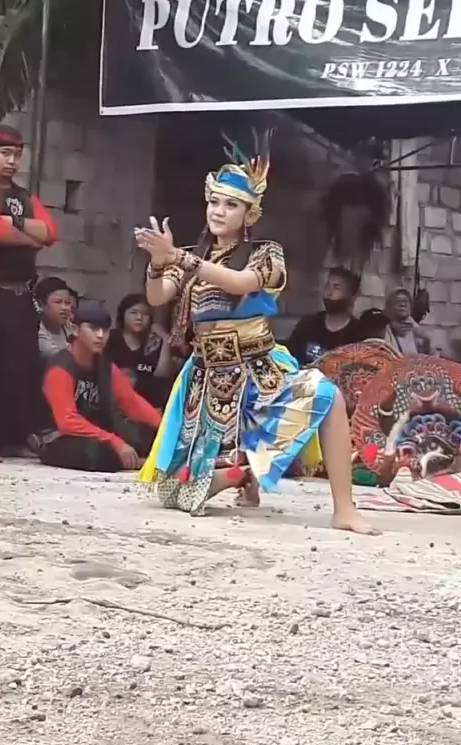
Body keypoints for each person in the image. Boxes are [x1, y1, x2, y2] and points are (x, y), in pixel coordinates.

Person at [135, 135, 378, 534]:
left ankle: (344, 510)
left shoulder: (267, 253)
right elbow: (157, 295)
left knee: (328, 397)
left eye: (231, 204)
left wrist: (178, 257)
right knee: (174, 493)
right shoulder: (195, 255)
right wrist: (157, 264)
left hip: (257, 369)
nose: (219, 211)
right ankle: (241, 474)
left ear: (250, 214)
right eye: (215, 201)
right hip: (207, 378)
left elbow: (240, 282)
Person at [0, 123, 58, 462]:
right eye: (4, 153)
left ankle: (9, 438)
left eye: (16, 154)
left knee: (18, 367)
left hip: (21, 296)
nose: (12, 161)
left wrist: (14, 223)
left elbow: (50, 231)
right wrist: (31, 237)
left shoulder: (24, 196)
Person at [40, 301, 161, 472]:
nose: (100, 335)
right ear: (76, 330)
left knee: (150, 436)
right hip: (58, 437)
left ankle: (138, 459)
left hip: (95, 433)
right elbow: (67, 421)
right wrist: (114, 441)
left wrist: (165, 429)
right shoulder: (61, 366)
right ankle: (136, 462)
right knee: (100, 454)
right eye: (93, 329)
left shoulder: (105, 366)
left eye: (105, 330)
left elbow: (131, 401)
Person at [106, 293, 173, 409]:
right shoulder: (110, 339)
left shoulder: (154, 345)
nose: (139, 318)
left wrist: (166, 340)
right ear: (123, 314)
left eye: (145, 314)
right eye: (133, 312)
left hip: (146, 407)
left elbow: (162, 379)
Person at [288, 267, 363, 365]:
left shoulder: (359, 334)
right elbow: (288, 358)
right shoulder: (307, 325)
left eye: (337, 288)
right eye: (327, 286)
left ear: (351, 295)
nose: (329, 293)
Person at [36, 276, 76, 360]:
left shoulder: (71, 328)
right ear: (41, 304)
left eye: (67, 303)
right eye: (58, 302)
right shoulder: (36, 333)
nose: (64, 308)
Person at [384, 288, 431, 355]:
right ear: (391, 306)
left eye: (406, 301)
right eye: (398, 301)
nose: (403, 304)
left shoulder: (417, 332)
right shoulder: (385, 330)